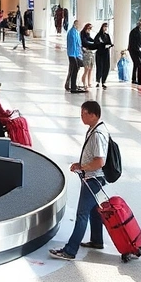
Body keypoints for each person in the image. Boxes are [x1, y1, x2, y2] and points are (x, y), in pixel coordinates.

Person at [49, 100, 108, 261]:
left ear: (93, 115)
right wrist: (80, 165)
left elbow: (99, 161)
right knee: (95, 211)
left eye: (84, 113)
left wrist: (82, 168)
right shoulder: (94, 129)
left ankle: (70, 250)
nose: (81, 117)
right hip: (93, 177)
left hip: (94, 178)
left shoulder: (98, 134)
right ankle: (97, 240)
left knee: (82, 214)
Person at [65, 20, 84, 93]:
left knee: (74, 69)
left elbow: (78, 44)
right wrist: (78, 54)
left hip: (75, 54)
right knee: (74, 69)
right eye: (79, 25)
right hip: (72, 54)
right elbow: (74, 45)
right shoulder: (72, 32)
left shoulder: (76, 32)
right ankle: (72, 87)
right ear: (75, 24)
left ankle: (72, 85)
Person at [94, 22, 113, 88]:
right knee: (100, 67)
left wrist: (109, 45)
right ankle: (98, 81)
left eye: (106, 27)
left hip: (106, 53)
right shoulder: (98, 35)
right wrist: (102, 45)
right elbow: (96, 43)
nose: (105, 28)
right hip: (100, 53)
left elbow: (110, 43)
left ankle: (104, 81)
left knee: (106, 67)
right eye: (104, 27)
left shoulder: (107, 35)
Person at [80, 23, 97, 91]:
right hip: (85, 52)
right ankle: (85, 83)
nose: (90, 30)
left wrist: (95, 42)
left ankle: (89, 83)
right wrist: (91, 44)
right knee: (86, 69)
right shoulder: (82, 33)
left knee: (90, 68)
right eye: (89, 28)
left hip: (90, 52)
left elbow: (90, 39)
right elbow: (84, 42)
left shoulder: (87, 34)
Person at [128, 20, 141, 84]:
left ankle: (134, 79)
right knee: (139, 64)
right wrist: (139, 49)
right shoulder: (136, 32)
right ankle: (139, 80)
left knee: (136, 64)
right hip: (134, 50)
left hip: (135, 50)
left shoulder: (138, 31)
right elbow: (135, 43)